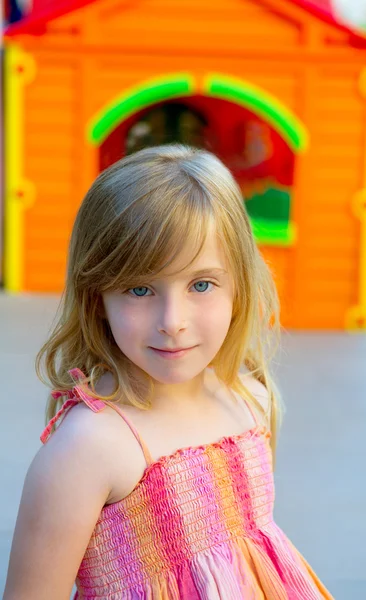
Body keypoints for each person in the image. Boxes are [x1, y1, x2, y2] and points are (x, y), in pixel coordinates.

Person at [3, 145, 334, 599]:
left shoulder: (249, 399)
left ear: (240, 283)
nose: (172, 320)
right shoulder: (87, 449)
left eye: (201, 284)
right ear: (96, 296)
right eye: (140, 288)